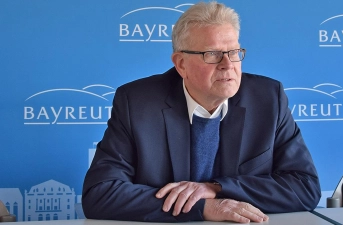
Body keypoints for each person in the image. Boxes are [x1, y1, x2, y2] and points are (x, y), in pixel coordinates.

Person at [82, 1, 321, 223]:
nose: (228, 65)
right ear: (181, 64)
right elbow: (100, 194)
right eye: (213, 54)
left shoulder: (269, 98)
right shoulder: (137, 103)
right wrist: (203, 207)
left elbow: (304, 187)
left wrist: (217, 188)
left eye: (234, 52)